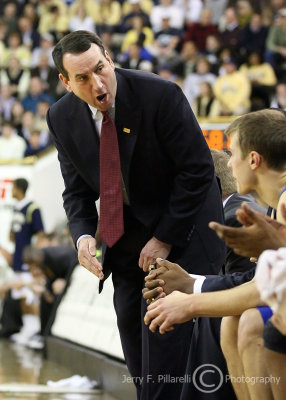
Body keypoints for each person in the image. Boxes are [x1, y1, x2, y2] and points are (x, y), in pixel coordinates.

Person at [46, 30, 225, 400]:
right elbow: (76, 190)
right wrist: (82, 237)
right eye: (82, 78)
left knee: (166, 354)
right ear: (65, 82)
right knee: (136, 351)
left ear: (109, 59)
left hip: (182, 232)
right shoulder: (61, 117)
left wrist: (164, 238)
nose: (97, 83)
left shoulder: (159, 94)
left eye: (100, 69)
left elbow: (197, 172)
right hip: (124, 241)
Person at [144, 108, 286, 398]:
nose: (229, 164)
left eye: (232, 154)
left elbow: (266, 288)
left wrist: (190, 303)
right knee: (235, 322)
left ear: (253, 159)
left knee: (251, 322)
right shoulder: (275, 205)